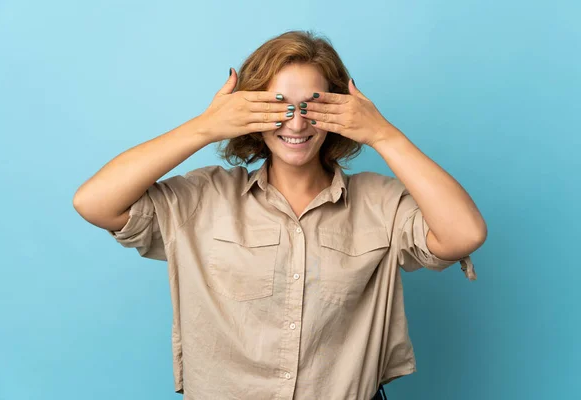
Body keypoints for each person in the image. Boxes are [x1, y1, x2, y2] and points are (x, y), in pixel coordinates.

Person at [73, 30, 486, 400]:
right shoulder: (204, 198)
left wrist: (383, 133)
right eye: (278, 105)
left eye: (313, 105)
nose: (297, 121)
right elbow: (94, 202)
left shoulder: (380, 203)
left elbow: (464, 233)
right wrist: (204, 127)